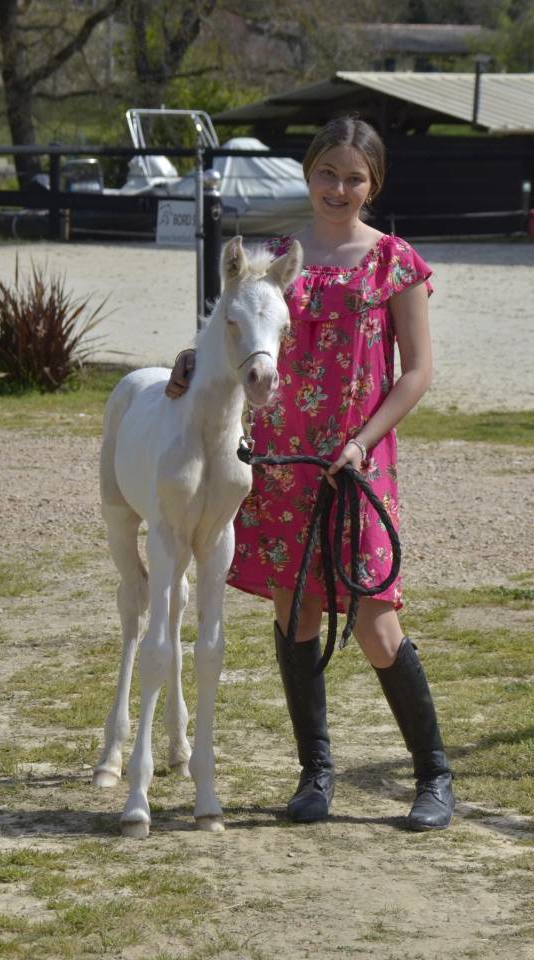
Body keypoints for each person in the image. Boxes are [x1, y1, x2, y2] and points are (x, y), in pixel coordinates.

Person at [165, 115, 454, 832]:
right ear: (308, 171)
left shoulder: (393, 260)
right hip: (281, 459)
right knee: (294, 616)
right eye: (328, 172)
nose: (339, 188)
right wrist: (194, 359)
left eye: (355, 177)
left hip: (355, 464)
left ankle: (434, 775)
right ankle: (314, 775)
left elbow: (416, 372)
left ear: (373, 183)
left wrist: (362, 442)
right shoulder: (277, 261)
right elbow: (240, 334)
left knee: (375, 623)